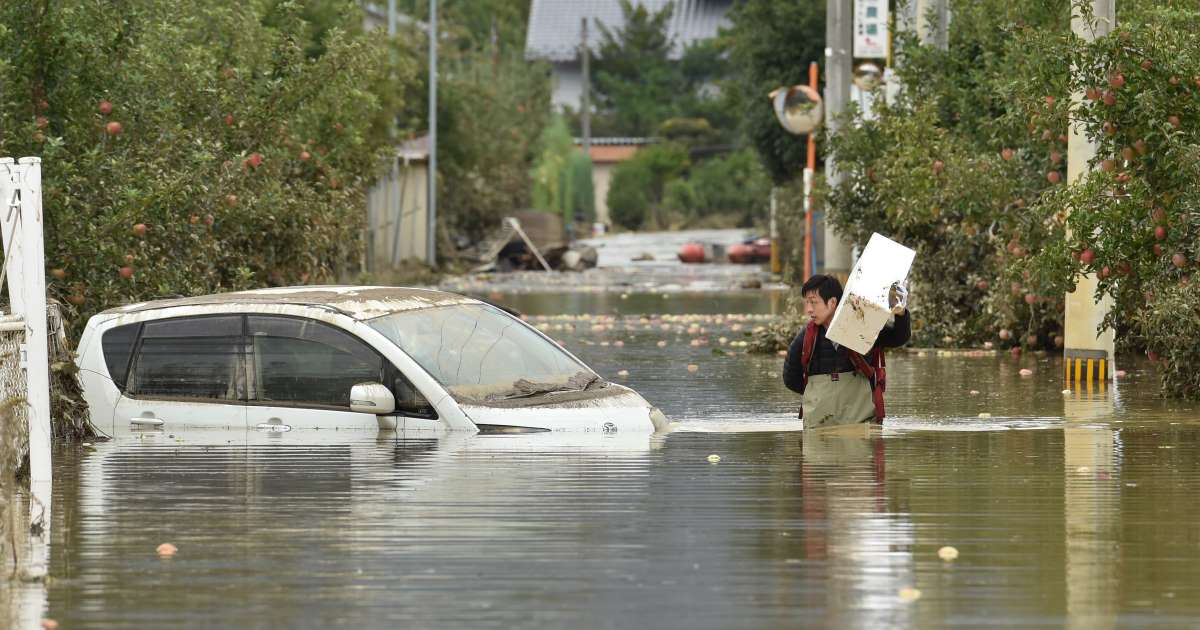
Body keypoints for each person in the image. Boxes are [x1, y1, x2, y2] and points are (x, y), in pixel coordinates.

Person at [782, 274, 910, 430]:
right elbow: (790, 378)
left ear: (833, 302)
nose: (809, 309)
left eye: (813, 303)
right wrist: (816, 395)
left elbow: (898, 338)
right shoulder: (806, 337)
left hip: (862, 421)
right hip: (819, 425)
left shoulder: (863, 326)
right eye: (807, 303)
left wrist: (901, 314)